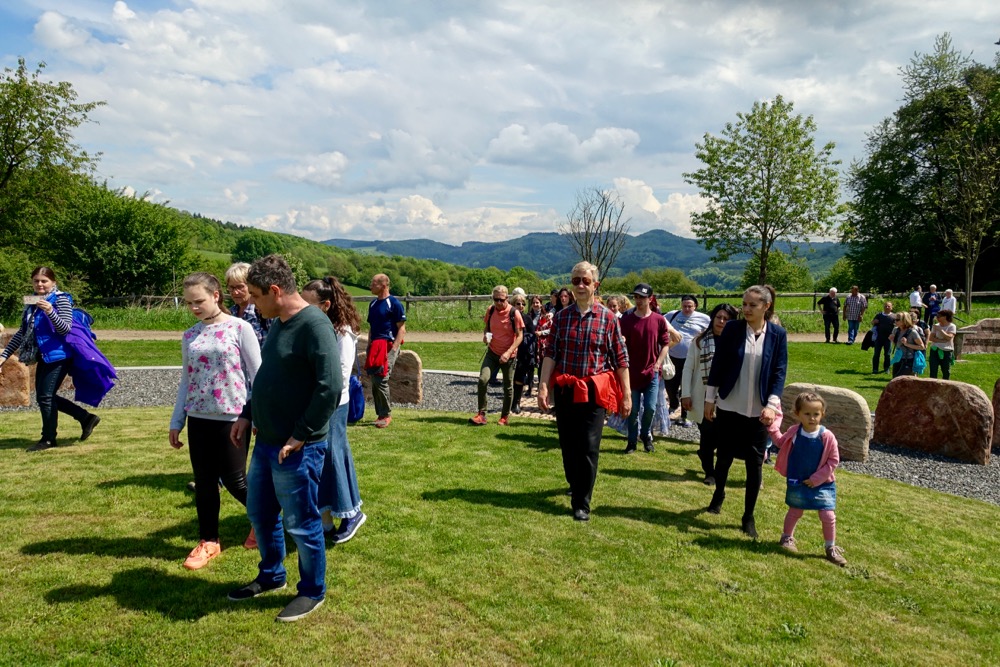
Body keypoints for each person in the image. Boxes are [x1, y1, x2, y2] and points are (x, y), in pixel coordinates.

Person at [227, 254, 341, 623]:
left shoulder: (313, 325)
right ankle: (272, 576)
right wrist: (247, 413)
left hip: (297, 446)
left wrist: (301, 435)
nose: (252, 304)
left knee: (302, 522)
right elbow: (267, 376)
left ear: (275, 291)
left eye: (256, 296)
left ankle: (312, 591)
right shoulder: (278, 321)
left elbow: (330, 388)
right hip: (267, 443)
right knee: (260, 513)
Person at [169, 272, 261, 570]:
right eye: (189, 303)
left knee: (235, 480)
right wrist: (177, 420)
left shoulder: (240, 328)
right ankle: (209, 541)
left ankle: (267, 520)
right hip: (198, 417)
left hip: (233, 416)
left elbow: (258, 375)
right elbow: (187, 379)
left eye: (199, 301)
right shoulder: (190, 334)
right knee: (206, 482)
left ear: (216, 296)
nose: (194, 308)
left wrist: (255, 415)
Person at [537, 261, 630, 522]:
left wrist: (627, 394)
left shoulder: (609, 319)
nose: (580, 285)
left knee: (589, 446)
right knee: (568, 445)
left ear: (595, 285)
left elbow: (621, 359)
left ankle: (581, 503)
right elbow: (551, 353)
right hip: (567, 390)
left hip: (593, 392)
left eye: (585, 281)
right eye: (576, 280)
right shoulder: (562, 317)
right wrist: (543, 385)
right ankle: (575, 482)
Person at [704, 285, 787, 539]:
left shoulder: (777, 334)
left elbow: (779, 372)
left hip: (760, 412)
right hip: (729, 405)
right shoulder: (732, 329)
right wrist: (710, 398)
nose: (746, 309)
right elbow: (718, 364)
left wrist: (772, 405)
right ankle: (718, 495)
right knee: (725, 457)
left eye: (752, 305)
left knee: (755, 464)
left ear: (766, 306)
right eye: (744, 304)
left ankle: (748, 516)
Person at [0, 267, 104, 452]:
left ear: (53, 283)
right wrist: (4, 355)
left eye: (44, 281)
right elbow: (23, 332)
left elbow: (65, 329)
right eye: (36, 281)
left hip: (59, 355)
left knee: (45, 397)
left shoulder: (61, 299)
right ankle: (86, 418)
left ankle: (48, 439)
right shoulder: (31, 302)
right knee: (44, 397)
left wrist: (50, 312)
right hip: (44, 355)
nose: (40, 284)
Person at [301, 277, 367, 543]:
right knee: (321, 459)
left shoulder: (342, 332)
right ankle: (324, 518)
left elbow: (338, 374)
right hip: (316, 400)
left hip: (333, 403)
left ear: (326, 305)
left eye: (308, 304)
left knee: (331, 456)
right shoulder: (315, 326)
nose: (301, 308)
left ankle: (351, 513)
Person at [767, 392, 847, 567]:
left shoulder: (827, 436)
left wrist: (817, 479)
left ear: (822, 414)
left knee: (828, 514)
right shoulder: (795, 432)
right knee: (795, 510)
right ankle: (787, 538)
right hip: (798, 480)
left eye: (816, 414)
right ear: (797, 414)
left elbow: (833, 461)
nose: (812, 418)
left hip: (822, 484)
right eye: (807, 414)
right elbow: (781, 442)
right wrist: (771, 427)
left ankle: (830, 547)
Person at [681, 303, 738, 485]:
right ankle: (709, 472)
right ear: (712, 318)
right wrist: (686, 394)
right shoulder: (699, 341)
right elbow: (688, 368)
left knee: (722, 440)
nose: (721, 321)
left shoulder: (737, 342)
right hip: (702, 396)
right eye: (718, 317)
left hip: (727, 398)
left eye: (726, 319)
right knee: (706, 437)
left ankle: (716, 469)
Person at [620, 283, 672, 454]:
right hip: (631, 372)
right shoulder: (626, 320)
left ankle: (645, 435)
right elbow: (619, 342)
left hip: (651, 373)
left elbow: (665, 344)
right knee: (633, 410)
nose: (639, 300)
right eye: (636, 297)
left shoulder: (658, 320)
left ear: (650, 299)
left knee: (650, 408)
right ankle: (632, 442)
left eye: (642, 297)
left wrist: (658, 363)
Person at [471, 285, 524, 425]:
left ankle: (504, 417)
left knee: (507, 387)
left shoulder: (514, 313)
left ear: (507, 298)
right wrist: (485, 336)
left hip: (509, 356)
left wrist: (508, 352)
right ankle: (482, 414)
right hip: (492, 353)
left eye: (501, 299)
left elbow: (519, 336)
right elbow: (486, 328)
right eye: (496, 299)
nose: (499, 303)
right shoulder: (491, 310)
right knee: (483, 380)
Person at [366, 273, 407, 428]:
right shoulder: (373, 304)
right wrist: (369, 344)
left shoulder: (394, 304)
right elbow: (371, 328)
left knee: (381, 378)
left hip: (388, 345)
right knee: (374, 378)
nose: (370, 286)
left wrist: (394, 349)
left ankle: (386, 415)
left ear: (383, 285)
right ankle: (380, 414)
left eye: (373, 283)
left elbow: (401, 328)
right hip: (375, 346)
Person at [664, 295, 711, 427]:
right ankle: (673, 404)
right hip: (672, 357)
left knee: (687, 388)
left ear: (695, 306)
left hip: (691, 359)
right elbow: (661, 322)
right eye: (684, 306)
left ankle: (685, 416)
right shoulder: (672, 315)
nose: (686, 308)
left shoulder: (704, 318)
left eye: (689, 306)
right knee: (670, 385)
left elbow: (710, 332)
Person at [226, 262, 270, 345]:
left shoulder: (263, 313)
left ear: (251, 286)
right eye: (231, 287)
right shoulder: (229, 314)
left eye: (240, 287)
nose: (235, 292)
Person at [511, 294, 538, 413]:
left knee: (519, 377)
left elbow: (533, 336)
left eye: (523, 304)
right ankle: (509, 402)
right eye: (518, 303)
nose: (521, 306)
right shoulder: (509, 318)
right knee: (509, 378)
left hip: (523, 352)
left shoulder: (527, 319)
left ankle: (516, 402)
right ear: (513, 304)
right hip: (510, 350)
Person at [892, 311, 925, 377]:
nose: (895, 321)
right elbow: (897, 345)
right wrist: (892, 340)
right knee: (895, 379)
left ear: (904, 320)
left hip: (908, 359)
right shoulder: (896, 330)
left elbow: (922, 347)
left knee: (903, 380)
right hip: (898, 358)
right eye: (895, 319)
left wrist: (907, 344)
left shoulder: (912, 332)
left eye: (898, 320)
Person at [927, 309, 957, 380]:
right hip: (935, 350)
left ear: (945, 317)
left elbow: (949, 337)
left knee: (946, 371)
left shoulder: (952, 326)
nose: (937, 317)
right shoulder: (936, 326)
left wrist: (941, 330)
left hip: (946, 351)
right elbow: (931, 338)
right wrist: (941, 341)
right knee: (933, 371)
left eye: (939, 316)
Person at [870, 301, 895, 374]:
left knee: (887, 354)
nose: (887, 307)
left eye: (888, 306)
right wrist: (874, 321)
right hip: (879, 338)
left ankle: (886, 368)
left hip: (888, 339)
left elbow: (897, 326)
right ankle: (875, 369)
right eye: (885, 306)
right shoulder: (879, 315)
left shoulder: (894, 316)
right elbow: (872, 322)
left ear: (891, 307)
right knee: (876, 354)